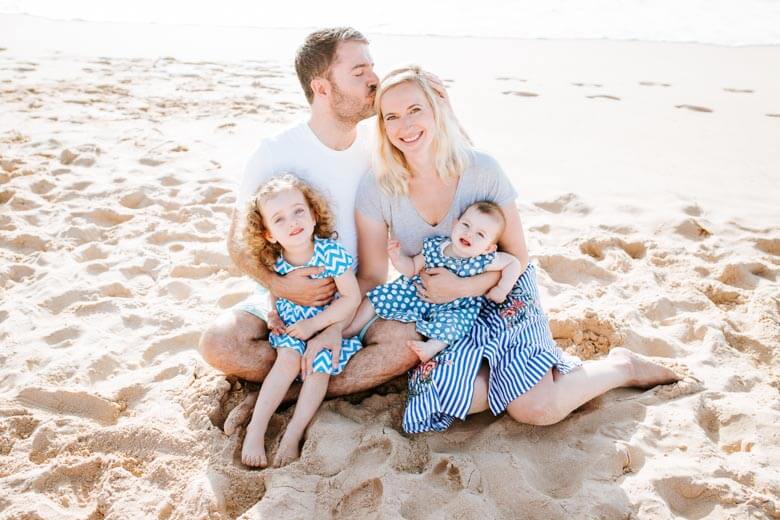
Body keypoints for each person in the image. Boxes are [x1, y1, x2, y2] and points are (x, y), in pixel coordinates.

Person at [355, 64, 680, 434]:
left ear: (436, 110)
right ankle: (511, 374)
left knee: (536, 408)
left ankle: (623, 367)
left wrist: (465, 287)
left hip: (502, 289)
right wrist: (338, 328)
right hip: (445, 310)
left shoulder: (481, 169)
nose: (405, 126)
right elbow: (370, 274)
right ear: (381, 126)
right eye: (391, 116)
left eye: (415, 110)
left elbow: (518, 255)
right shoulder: (377, 186)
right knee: (459, 398)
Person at [199, 28, 427, 428]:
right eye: (359, 71)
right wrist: (279, 284)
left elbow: (375, 271)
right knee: (219, 343)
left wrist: (337, 323)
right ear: (322, 88)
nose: (375, 78)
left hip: (355, 296)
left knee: (407, 343)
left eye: (372, 67)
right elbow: (237, 242)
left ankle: (283, 392)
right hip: (286, 295)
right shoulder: (275, 152)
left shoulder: (381, 150)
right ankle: (309, 378)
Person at [240, 175, 362, 467]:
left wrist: (314, 326)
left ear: (313, 214)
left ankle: (294, 433)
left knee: (319, 367)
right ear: (269, 233)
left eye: (298, 211)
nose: (292, 221)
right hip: (291, 326)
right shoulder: (276, 260)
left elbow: (351, 298)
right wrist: (274, 314)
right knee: (289, 359)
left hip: (324, 324)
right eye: (279, 219)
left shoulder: (331, 253)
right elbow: (273, 293)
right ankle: (256, 429)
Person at [345, 201, 521, 363]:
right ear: (455, 225)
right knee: (379, 295)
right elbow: (412, 267)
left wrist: (502, 289)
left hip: (455, 308)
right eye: (466, 225)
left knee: (458, 324)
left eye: (480, 234)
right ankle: (351, 329)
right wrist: (398, 258)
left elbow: (514, 262)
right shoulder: (436, 247)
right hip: (417, 294)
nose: (469, 234)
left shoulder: (484, 259)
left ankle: (432, 347)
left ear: (489, 248)